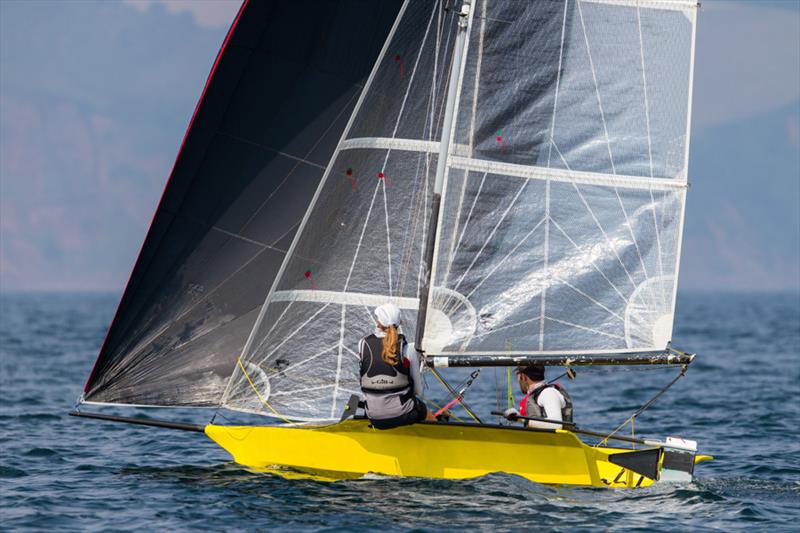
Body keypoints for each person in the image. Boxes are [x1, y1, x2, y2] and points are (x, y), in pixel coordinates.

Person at [358, 303, 436, 429]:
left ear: (378, 323)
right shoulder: (408, 348)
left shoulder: (362, 344)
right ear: (400, 322)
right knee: (424, 410)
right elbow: (417, 391)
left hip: (373, 416)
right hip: (403, 414)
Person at [504, 364, 573, 430]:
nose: (518, 380)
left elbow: (556, 425)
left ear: (523, 377)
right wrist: (516, 416)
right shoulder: (537, 396)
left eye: (518, 376)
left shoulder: (548, 393)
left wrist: (522, 419)